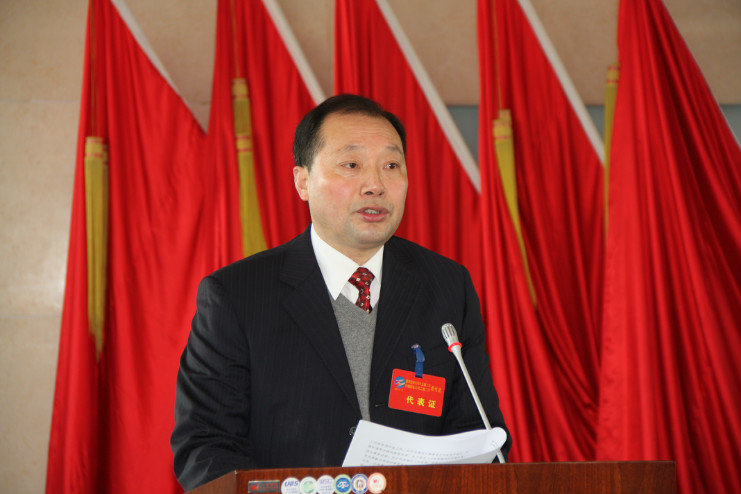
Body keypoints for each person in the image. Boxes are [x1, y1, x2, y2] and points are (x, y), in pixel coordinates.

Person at [171, 94, 511, 490]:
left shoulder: (447, 286)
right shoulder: (236, 295)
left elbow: (477, 431)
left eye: (391, 166)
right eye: (351, 165)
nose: (375, 185)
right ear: (303, 181)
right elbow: (206, 447)